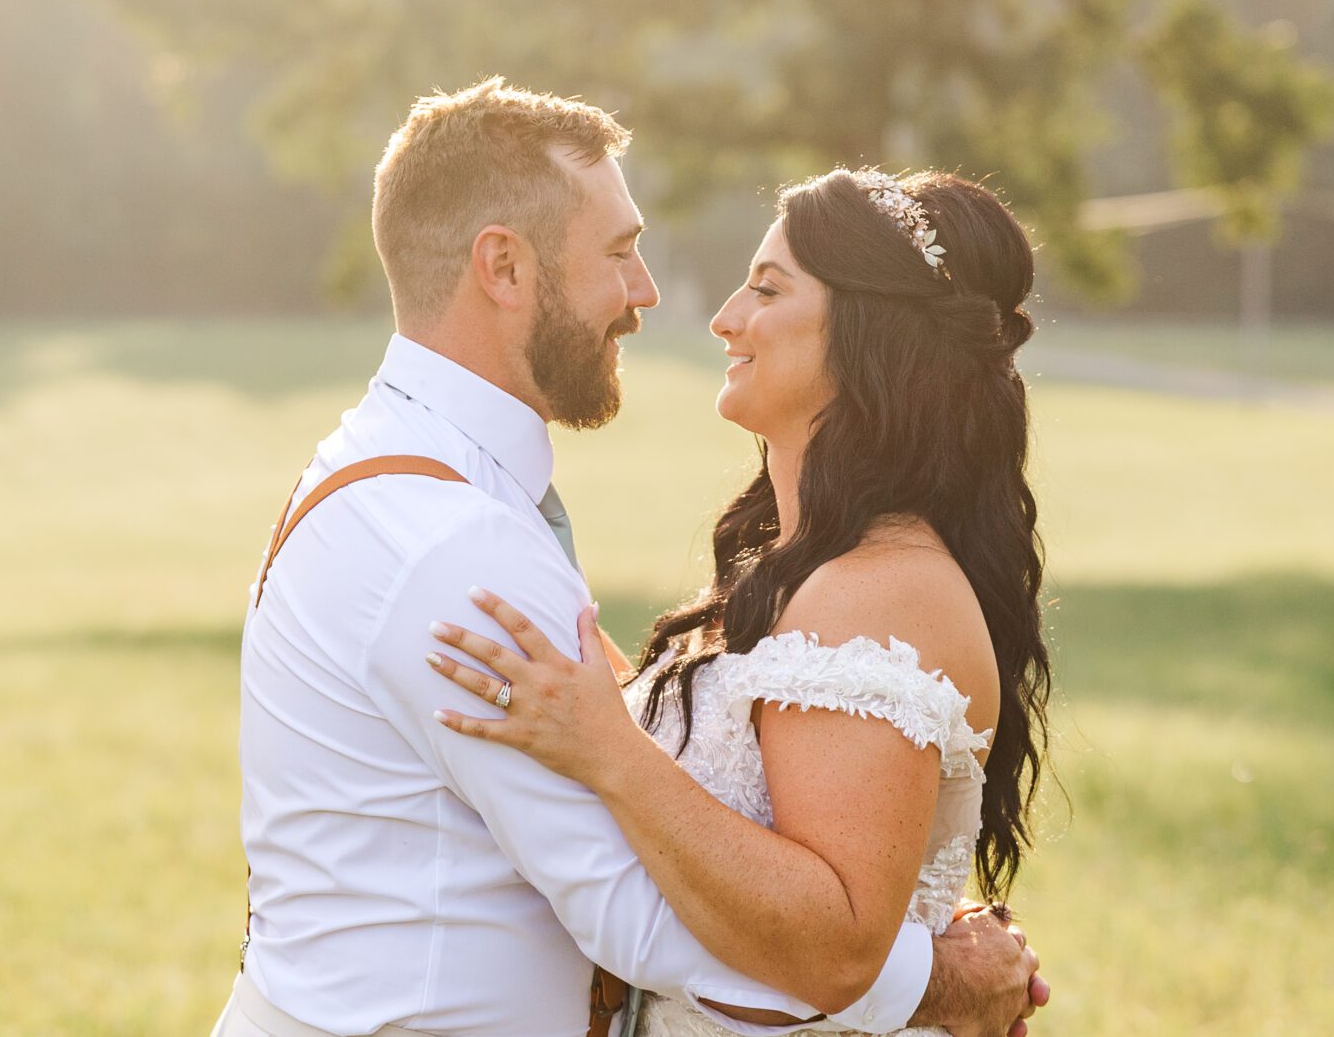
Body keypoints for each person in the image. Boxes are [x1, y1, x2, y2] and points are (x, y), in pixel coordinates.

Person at [214, 78, 1045, 1037]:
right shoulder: (452, 537)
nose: (658, 296)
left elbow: (641, 770)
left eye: (764, 288)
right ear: (504, 267)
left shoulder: (390, 473)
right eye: (619, 253)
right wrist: (935, 983)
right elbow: (628, 910)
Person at [425, 166, 1053, 1036]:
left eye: (767, 288)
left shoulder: (882, 591)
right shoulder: (808, 573)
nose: (726, 318)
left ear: (872, 332)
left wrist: (606, 748)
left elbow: (837, 946)